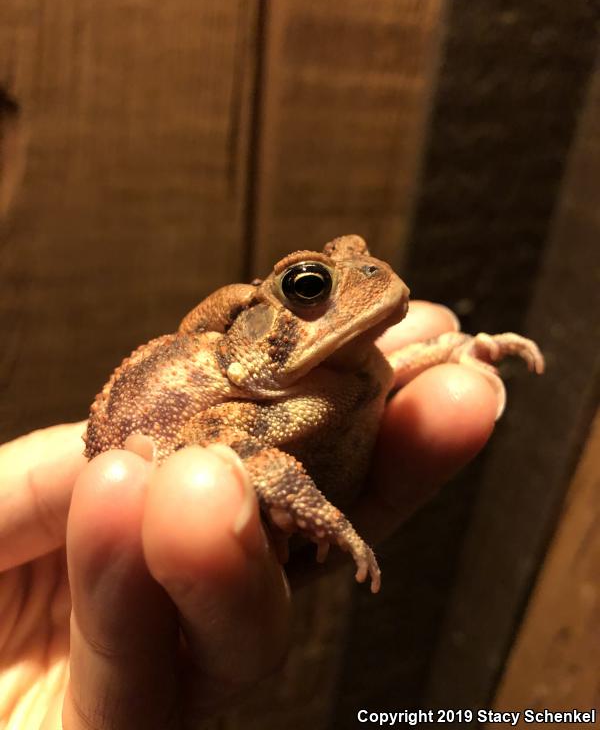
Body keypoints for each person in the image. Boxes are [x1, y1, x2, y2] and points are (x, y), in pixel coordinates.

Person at [0, 302, 501, 729]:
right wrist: (311, 506)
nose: (368, 273)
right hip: (145, 513)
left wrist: (456, 349)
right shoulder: (254, 390)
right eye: (310, 288)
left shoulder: (338, 366)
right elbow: (218, 437)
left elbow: (383, 372)